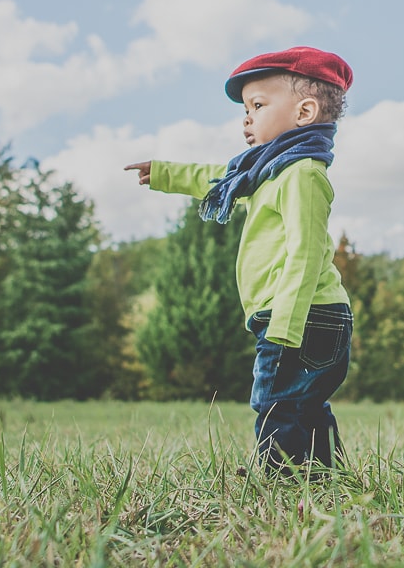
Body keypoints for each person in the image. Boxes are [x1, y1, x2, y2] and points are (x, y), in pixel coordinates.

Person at [125, 46, 355, 475]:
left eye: (258, 105)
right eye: (246, 108)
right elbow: (218, 176)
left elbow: (305, 255)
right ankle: (324, 477)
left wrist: (285, 325)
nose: (246, 117)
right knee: (303, 404)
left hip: (303, 317)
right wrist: (164, 173)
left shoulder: (302, 173)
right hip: (304, 315)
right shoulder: (268, 170)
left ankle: (279, 477)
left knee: (274, 400)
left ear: (304, 112)